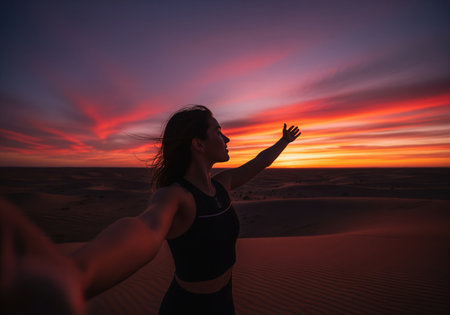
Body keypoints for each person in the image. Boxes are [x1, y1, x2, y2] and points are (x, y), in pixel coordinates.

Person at [0, 105, 300, 314]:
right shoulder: (175, 197)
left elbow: (260, 162)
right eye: (218, 131)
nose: (227, 138)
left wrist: (283, 142)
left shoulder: (223, 184)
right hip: (188, 309)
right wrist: (79, 273)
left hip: (225, 302)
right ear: (198, 143)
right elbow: (145, 227)